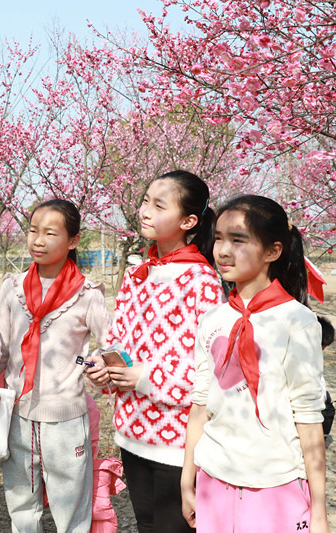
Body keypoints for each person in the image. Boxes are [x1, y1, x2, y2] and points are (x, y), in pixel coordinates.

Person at [85, 170, 224, 533]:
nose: (145, 210)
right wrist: (105, 368)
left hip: (178, 443)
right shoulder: (136, 275)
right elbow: (118, 342)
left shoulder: (203, 281)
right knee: (146, 525)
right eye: (146, 200)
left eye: (158, 205)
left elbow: (210, 375)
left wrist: (144, 378)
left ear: (188, 221)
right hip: (131, 434)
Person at [181, 195, 328, 533]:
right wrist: (188, 478)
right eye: (218, 238)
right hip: (213, 479)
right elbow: (200, 405)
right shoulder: (212, 318)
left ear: (273, 251)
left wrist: (318, 510)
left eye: (238, 240)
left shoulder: (297, 321)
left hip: (274, 487)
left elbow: (308, 419)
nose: (223, 250)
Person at [0, 198, 111, 532]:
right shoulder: (11, 288)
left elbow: (111, 347)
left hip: (65, 420)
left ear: (73, 240)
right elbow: (1, 351)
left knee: (71, 508)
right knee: (21, 507)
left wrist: (90, 363)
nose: (38, 241)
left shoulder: (88, 294)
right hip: (17, 414)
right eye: (33, 231)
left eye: (50, 233)